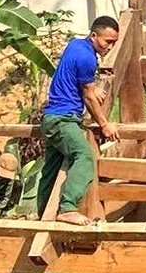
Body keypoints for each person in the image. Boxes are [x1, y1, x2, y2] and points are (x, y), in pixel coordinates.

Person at [35, 16, 123, 225]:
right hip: (63, 120)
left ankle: (42, 215)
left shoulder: (75, 45)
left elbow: (84, 84)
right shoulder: (88, 58)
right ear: (93, 35)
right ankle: (67, 208)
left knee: (52, 167)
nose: (109, 47)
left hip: (51, 118)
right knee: (84, 157)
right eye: (107, 41)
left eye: (113, 42)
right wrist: (104, 124)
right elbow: (88, 95)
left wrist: (93, 87)